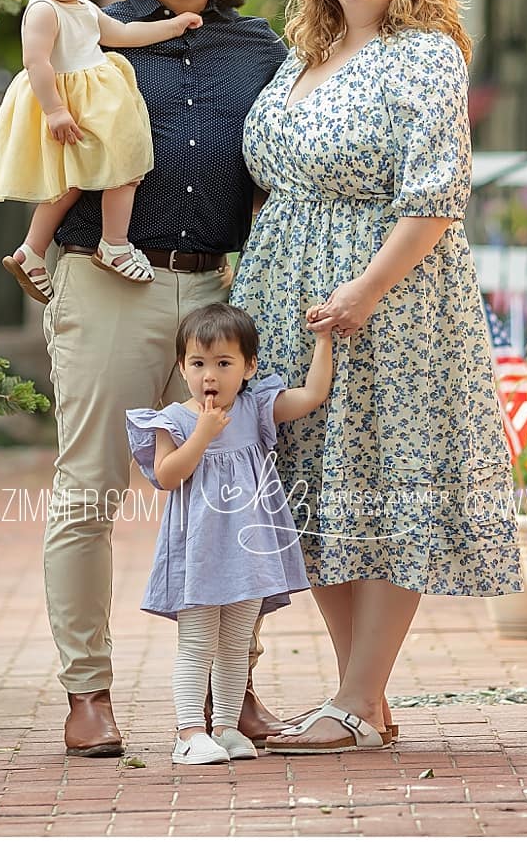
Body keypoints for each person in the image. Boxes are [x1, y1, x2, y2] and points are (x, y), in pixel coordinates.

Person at [230, 0, 524, 754]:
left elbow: (436, 195)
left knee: (392, 482)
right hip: (287, 295)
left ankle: (357, 700)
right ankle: (364, 696)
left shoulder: (424, 56)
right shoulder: (300, 57)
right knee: (317, 488)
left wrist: (363, 289)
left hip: (390, 304)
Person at [40, 0, 291, 758]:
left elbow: (283, 169)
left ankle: (235, 693)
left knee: (235, 494)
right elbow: (40, 134)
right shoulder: (87, 30)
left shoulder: (261, 50)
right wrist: (35, 245)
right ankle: (88, 693)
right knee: (91, 488)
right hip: (109, 277)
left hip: (216, 299)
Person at [126, 304, 333, 765]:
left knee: (238, 641)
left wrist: (324, 339)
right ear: (182, 368)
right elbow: (166, 475)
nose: (210, 376)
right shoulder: (174, 420)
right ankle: (187, 733)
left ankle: (226, 728)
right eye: (198, 364)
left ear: (248, 367)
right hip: (199, 551)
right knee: (198, 641)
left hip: (249, 550)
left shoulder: (255, 407)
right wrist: (201, 433)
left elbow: (314, 394)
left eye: (224, 363)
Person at [0, 0, 203, 294]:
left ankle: (31, 251)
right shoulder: (43, 10)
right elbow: (35, 62)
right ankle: (114, 244)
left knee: (76, 184)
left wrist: (173, 25)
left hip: (90, 103)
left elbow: (124, 34)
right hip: (70, 104)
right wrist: (54, 110)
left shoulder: (84, 9)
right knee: (124, 168)